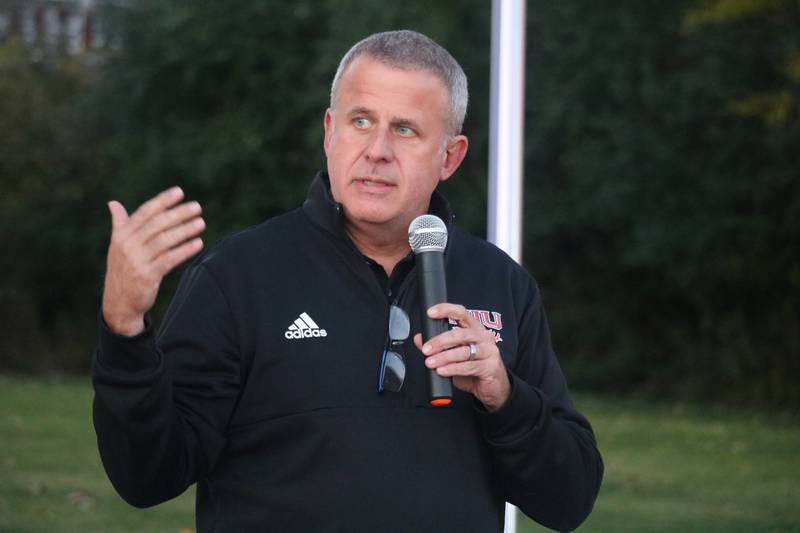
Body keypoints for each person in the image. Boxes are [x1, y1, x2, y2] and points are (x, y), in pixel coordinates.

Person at [93, 30, 603, 532]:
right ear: (329, 132)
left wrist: (505, 397)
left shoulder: (501, 284)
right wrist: (124, 330)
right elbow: (149, 476)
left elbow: (569, 499)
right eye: (362, 121)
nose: (377, 150)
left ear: (450, 157)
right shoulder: (238, 277)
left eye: (405, 129)